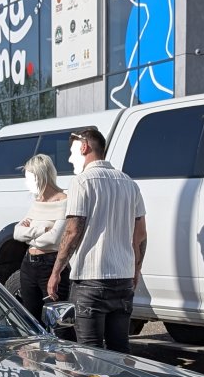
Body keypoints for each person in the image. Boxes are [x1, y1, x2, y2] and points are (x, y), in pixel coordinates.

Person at [46, 126, 147, 353]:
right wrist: (136, 269)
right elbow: (140, 233)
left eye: (72, 152)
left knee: (89, 353)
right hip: (122, 279)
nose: (71, 159)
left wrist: (56, 272)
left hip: (90, 282)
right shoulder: (129, 184)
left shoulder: (82, 182)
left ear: (84, 147)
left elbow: (72, 232)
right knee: (119, 351)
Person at [12, 154, 68, 317]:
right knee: (31, 319)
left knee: (58, 321)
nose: (27, 183)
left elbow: (53, 239)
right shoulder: (36, 202)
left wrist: (29, 234)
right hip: (28, 264)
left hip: (51, 264)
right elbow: (17, 232)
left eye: (30, 178)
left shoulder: (64, 201)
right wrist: (42, 228)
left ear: (41, 176)